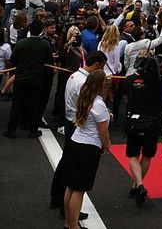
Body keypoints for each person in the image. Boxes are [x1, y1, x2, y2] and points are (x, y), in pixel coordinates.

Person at [49, 51, 106, 219]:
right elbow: (89, 108)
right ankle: (65, 207)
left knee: (66, 162)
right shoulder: (84, 82)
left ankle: (58, 198)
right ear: (96, 66)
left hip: (71, 122)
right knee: (75, 173)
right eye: (101, 68)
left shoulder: (74, 76)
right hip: (79, 127)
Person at [125, 45, 162, 205]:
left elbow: (125, 99)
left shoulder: (130, 80)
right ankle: (137, 185)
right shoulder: (159, 82)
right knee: (147, 155)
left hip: (133, 121)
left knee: (133, 155)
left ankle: (138, 184)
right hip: (152, 123)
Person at [63, 70, 111, 229]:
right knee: (79, 189)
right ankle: (73, 226)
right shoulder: (98, 103)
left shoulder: (84, 97)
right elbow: (103, 131)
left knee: (71, 185)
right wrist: (107, 145)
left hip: (75, 141)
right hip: (88, 147)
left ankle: (68, 222)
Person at [3, 20, 52, 139]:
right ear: (41, 30)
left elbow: (13, 60)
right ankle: (33, 131)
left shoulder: (21, 43)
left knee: (17, 105)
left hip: (21, 77)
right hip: (36, 79)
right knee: (34, 105)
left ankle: (11, 130)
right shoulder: (45, 44)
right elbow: (49, 62)